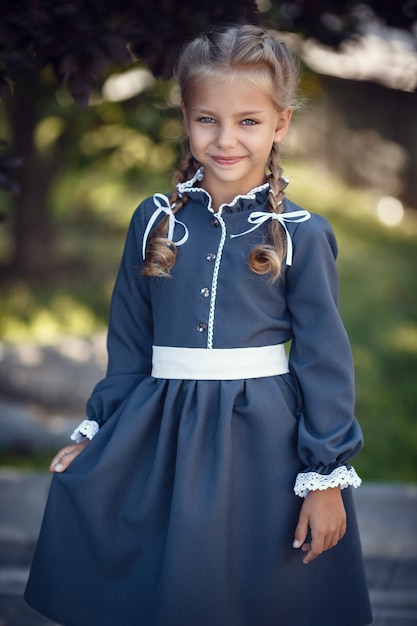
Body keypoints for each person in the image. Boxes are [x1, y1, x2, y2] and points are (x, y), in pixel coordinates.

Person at [25, 23, 373, 626]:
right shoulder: (154, 220)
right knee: (166, 577)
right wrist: (95, 432)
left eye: (249, 121)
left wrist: (325, 477)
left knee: (254, 587)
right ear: (186, 119)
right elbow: (130, 341)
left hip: (263, 441)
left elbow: (323, 358)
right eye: (207, 119)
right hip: (163, 430)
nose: (226, 139)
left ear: (280, 124)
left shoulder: (301, 233)